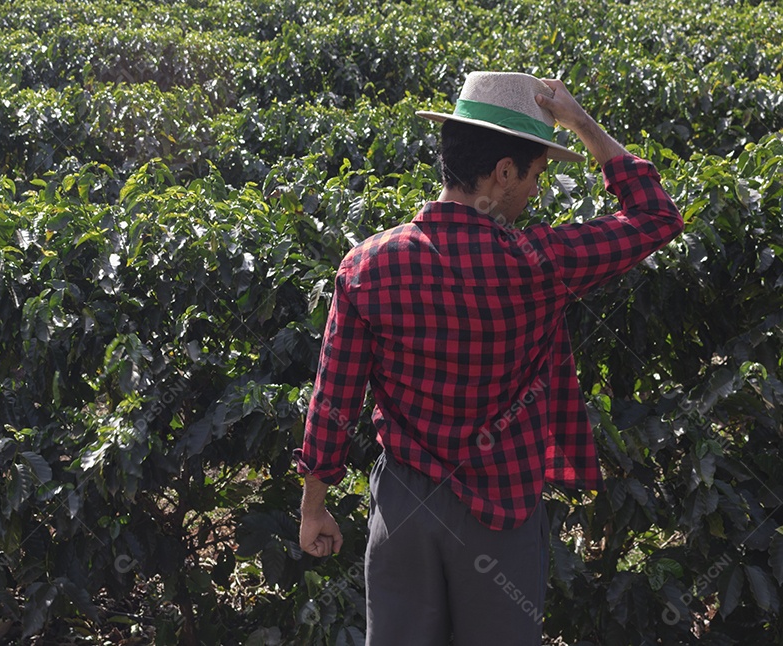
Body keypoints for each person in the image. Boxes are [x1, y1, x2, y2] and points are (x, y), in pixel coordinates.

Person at [293, 72, 684, 645]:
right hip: (501, 509)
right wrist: (582, 123)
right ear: (504, 172)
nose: (536, 192)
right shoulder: (541, 262)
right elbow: (656, 216)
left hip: (405, 505)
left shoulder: (368, 265)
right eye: (534, 175)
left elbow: (335, 396)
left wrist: (314, 504)